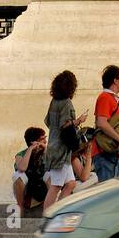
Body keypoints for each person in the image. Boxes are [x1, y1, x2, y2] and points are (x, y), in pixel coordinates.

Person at [43, 70, 86, 213]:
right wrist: (78, 120)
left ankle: (57, 213)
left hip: (54, 147)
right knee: (56, 187)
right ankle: (48, 218)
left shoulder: (54, 101)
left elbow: (48, 122)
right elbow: (64, 125)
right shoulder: (67, 103)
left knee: (71, 183)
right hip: (61, 151)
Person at [92, 65, 119, 184]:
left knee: (118, 195)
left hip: (114, 154)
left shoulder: (116, 100)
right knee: (108, 196)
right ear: (115, 80)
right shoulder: (105, 97)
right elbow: (101, 122)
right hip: (105, 154)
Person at [12, 127, 47, 213]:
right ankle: (20, 207)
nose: (45, 141)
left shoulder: (47, 152)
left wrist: (45, 149)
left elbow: (53, 165)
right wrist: (31, 149)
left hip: (43, 192)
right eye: (42, 139)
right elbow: (22, 168)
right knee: (18, 175)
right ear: (33, 141)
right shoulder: (20, 155)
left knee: (52, 174)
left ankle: (48, 206)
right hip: (28, 194)